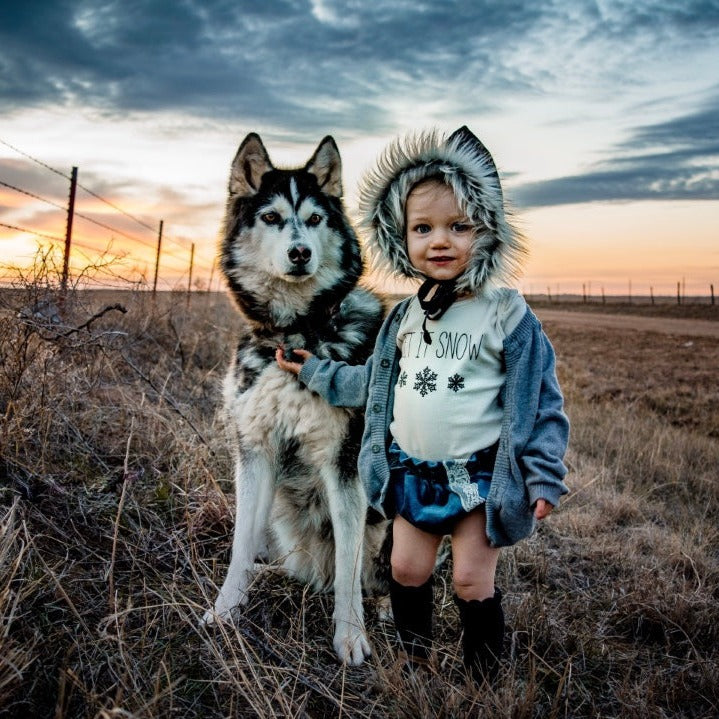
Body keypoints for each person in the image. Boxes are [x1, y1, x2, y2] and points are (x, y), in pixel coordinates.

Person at [275, 126, 569, 685]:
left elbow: (543, 403)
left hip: (479, 480)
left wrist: (544, 475)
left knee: (469, 582)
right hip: (413, 472)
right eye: (423, 228)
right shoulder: (405, 318)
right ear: (399, 236)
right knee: (406, 569)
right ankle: (415, 658)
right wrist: (314, 369)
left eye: (459, 226)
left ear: (487, 230)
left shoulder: (505, 314)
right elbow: (372, 385)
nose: (441, 240)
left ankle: (484, 677)